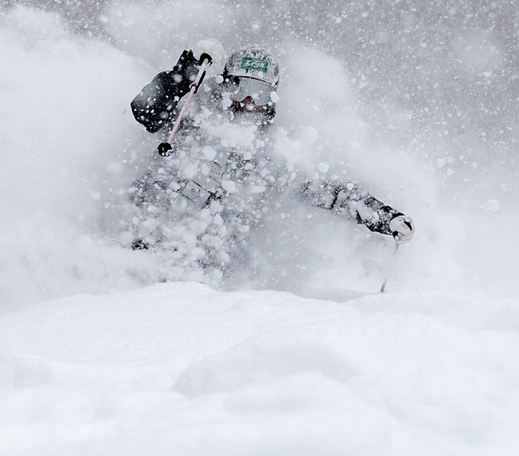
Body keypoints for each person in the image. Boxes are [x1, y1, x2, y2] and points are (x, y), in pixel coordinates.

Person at [126, 40, 413, 280]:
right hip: (144, 252)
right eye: (241, 89)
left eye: (260, 93)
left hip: (206, 278)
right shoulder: (192, 121)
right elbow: (144, 110)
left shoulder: (271, 157)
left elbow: (330, 193)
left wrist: (384, 218)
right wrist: (185, 73)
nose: (250, 101)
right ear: (226, 87)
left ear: (272, 98)